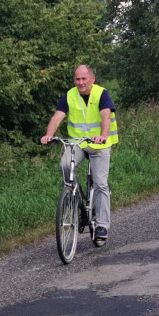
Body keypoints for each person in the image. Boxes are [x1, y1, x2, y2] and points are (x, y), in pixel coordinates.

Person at [40, 65, 118, 246]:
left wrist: (103, 136)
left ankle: (102, 226)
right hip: (77, 143)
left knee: (100, 183)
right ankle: (75, 200)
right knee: (65, 166)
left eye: (84, 79)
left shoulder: (102, 94)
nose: (81, 83)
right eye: (77, 79)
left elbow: (106, 116)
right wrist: (49, 134)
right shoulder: (69, 95)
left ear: (92, 78)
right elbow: (58, 116)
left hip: (99, 144)